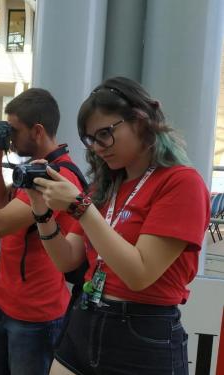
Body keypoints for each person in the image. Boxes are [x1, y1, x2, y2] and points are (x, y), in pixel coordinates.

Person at [26, 77, 210, 375]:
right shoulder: (107, 185)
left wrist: (80, 208)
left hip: (142, 334)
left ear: (140, 121)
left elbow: (139, 273)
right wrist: (41, 210)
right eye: (91, 139)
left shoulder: (181, 183)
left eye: (105, 134)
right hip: (86, 317)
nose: (98, 147)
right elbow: (66, 258)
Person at [0, 88, 85, 375]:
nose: (8, 136)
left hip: (35, 318)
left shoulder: (57, 176)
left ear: (37, 131)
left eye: (14, 129)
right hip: (2, 304)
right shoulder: (34, 169)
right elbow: (0, 202)